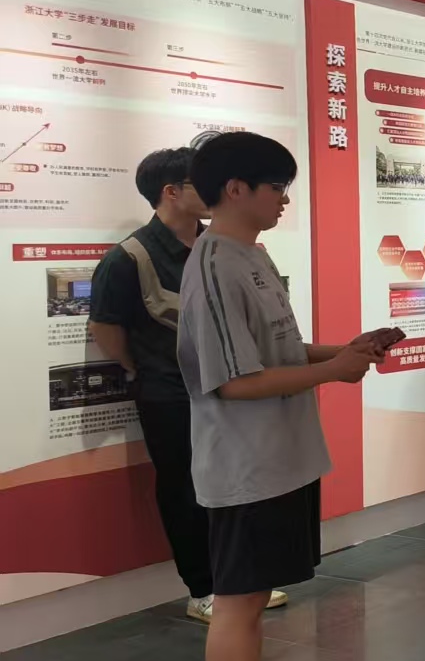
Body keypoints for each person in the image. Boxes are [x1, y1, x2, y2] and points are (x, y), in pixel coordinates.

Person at [177, 131, 396, 661]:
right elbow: (232, 381)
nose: (284, 199)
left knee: (252, 599)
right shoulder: (214, 264)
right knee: (237, 604)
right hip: (245, 464)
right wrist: (334, 370)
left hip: (278, 457)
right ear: (235, 189)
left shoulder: (252, 254)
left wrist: (343, 349)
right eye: (277, 187)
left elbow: (275, 350)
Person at [89, 147, 287, 622]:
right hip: (171, 396)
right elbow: (106, 330)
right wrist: (145, 366)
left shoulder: (224, 245)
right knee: (184, 489)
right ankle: (204, 589)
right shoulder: (128, 259)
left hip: (233, 386)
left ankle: (238, 582)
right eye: (199, 182)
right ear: (171, 192)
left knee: (235, 485)